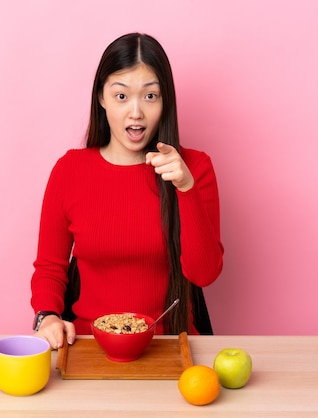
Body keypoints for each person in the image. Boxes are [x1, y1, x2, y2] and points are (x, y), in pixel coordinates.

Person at [31, 33, 223, 349]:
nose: (136, 112)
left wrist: (185, 188)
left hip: (171, 347)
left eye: (150, 96)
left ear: (166, 101)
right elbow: (50, 267)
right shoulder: (69, 170)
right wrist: (47, 316)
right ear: (102, 98)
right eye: (122, 96)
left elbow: (204, 274)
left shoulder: (195, 167)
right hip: (86, 346)